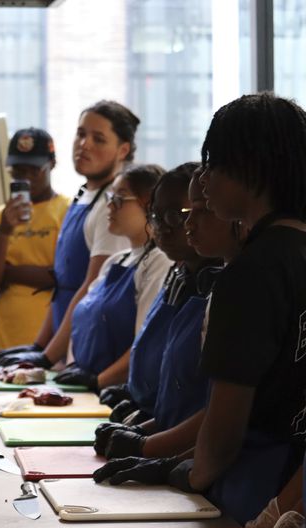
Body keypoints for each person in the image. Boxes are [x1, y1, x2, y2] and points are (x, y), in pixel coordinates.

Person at [93, 93, 306, 526]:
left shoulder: (250, 273)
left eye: (214, 163)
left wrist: (186, 472)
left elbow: (225, 427)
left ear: (252, 166)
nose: (204, 179)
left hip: (252, 483)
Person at [95, 164, 242, 460]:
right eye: (156, 216)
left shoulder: (228, 288)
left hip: (195, 452)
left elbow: (220, 412)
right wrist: (144, 420)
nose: (164, 226)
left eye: (176, 215)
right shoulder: (178, 275)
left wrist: (149, 446)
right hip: (165, 428)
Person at [0, 101, 137, 367]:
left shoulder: (112, 207)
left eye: (98, 139)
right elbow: (63, 286)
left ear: (123, 150)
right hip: (64, 347)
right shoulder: (82, 196)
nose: (85, 144)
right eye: (81, 134)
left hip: (90, 351)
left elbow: (90, 288)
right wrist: (39, 345)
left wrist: (47, 356)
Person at [51, 164, 172, 391]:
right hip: (90, 389)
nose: (109, 205)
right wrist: (73, 366)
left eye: (120, 198)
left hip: (115, 390)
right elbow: (82, 322)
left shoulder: (158, 263)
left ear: (149, 205)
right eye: (109, 197)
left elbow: (143, 343)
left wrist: (98, 381)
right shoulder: (114, 262)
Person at [0, 128, 69, 350]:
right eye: (18, 171)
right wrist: (4, 230)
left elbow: (63, 279)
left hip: (53, 345)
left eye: (34, 170)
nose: (25, 178)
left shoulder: (69, 212)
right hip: (8, 341)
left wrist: (8, 273)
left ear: (52, 164)